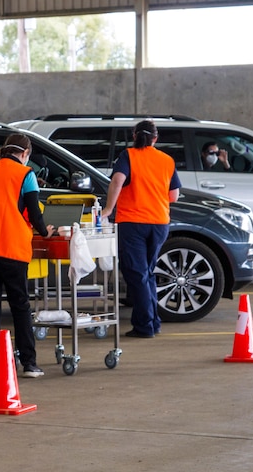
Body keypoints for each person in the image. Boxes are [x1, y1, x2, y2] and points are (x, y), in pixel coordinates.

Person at [0, 133, 56, 378]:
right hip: (10, 247)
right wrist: (46, 230)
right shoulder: (26, 175)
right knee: (20, 305)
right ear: (25, 154)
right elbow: (34, 214)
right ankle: (29, 363)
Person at [100, 119, 181, 338]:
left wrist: (108, 208)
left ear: (134, 136)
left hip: (132, 223)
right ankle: (152, 323)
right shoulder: (167, 160)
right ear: (156, 138)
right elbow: (174, 195)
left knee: (137, 274)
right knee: (146, 273)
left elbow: (117, 181)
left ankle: (145, 326)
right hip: (159, 223)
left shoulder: (128, 155)